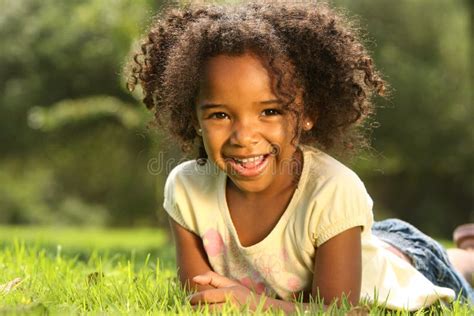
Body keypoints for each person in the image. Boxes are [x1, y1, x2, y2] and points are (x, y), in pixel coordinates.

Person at [127, 1, 473, 312]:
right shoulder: (186, 189)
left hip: (409, 265)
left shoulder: (334, 190)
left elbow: (335, 310)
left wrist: (251, 304)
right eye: (220, 115)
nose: (244, 136)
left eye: (270, 111)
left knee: (456, 264)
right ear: (195, 118)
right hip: (345, 238)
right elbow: (200, 294)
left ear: (308, 112)